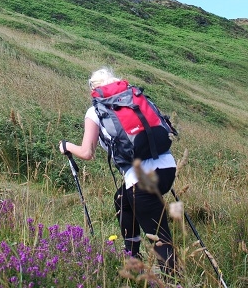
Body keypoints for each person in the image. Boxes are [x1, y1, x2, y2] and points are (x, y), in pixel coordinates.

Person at [58, 66, 177, 275]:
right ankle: (132, 255)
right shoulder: (135, 98)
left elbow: (87, 152)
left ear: (93, 90)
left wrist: (66, 146)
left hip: (140, 180)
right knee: (121, 199)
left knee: (159, 237)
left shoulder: (96, 111)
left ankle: (174, 279)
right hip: (167, 167)